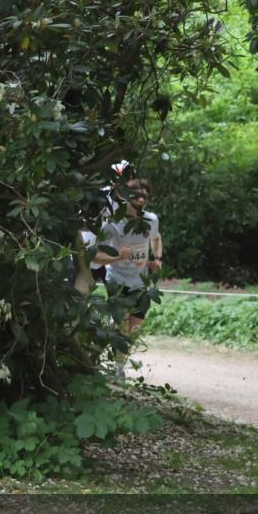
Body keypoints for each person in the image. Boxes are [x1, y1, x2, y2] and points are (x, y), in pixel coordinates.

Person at [87, 163, 163, 381]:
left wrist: (155, 259)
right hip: (117, 279)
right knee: (122, 328)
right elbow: (95, 256)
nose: (140, 201)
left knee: (133, 330)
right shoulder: (113, 223)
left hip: (141, 282)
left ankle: (117, 361)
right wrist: (119, 256)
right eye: (136, 196)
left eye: (144, 198)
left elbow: (156, 239)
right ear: (126, 196)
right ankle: (117, 370)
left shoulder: (151, 220)